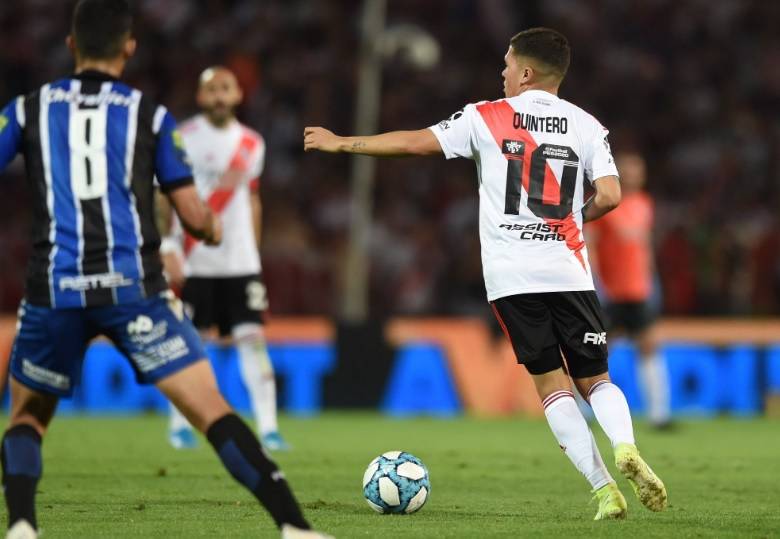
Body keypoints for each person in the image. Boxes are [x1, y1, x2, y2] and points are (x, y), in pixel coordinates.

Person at [305, 27, 667, 521]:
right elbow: (609, 196)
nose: (501, 73)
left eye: (506, 63)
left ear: (524, 72)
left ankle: (605, 488)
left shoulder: (486, 117)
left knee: (551, 385)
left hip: (513, 279)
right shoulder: (587, 125)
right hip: (569, 270)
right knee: (596, 378)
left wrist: (341, 143)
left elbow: (414, 144)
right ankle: (625, 444)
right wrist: (569, 221)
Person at [0, 2, 329, 538]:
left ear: (71, 45)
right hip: (133, 290)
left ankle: (20, 526)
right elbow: (195, 216)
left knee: (28, 419)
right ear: (128, 47)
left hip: (54, 288)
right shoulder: (148, 115)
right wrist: (213, 231)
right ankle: (294, 526)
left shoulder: (27, 109)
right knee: (211, 410)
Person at [160, 66, 288, 451]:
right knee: (191, 344)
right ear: (200, 97)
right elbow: (164, 194)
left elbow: (252, 199)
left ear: (237, 96)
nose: (219, 95)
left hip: (241, 263)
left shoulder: (253, 143)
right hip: (195, 259)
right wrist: (167, 245)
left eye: (226, 89)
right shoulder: (182, 137)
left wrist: (255, 255)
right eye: (212, 89)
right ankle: (180, 425)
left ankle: (269, 428)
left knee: (253, 340)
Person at [586, 151, 671, 428]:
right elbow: (591, 244)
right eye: (630, 170)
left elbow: (645, 248)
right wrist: (595, 283)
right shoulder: (605, 202)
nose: (635, 174)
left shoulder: (645, 204)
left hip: (638, 290)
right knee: (595, 351)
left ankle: (659, 416)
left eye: (639, 169)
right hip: (610, 290)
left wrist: (652, 280)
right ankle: (582, 412)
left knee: (648, 346)